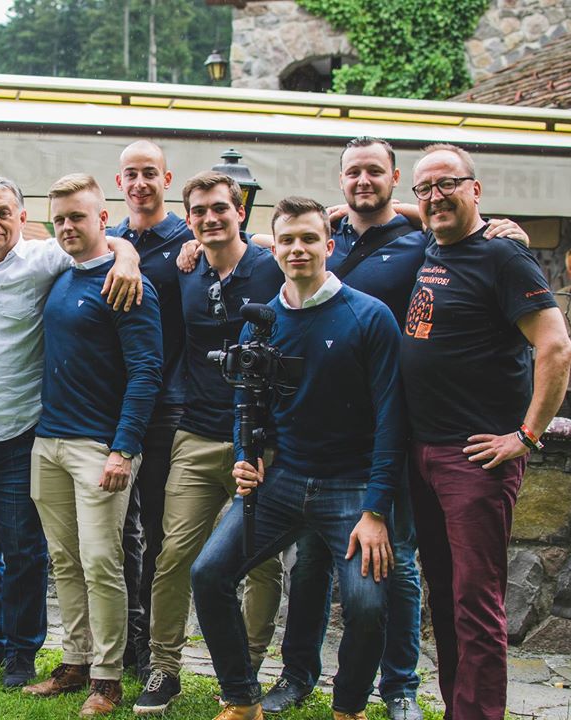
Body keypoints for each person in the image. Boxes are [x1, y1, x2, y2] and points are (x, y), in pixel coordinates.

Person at [191, 196, 406, 720]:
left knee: (367, 603)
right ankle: (242, 700)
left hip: (353, 487)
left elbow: (392, 420)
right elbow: (247, 402)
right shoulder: (261, 323)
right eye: (286, 239)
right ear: (275, 249)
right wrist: (247, 457)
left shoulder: (369, 316)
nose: (297, 249)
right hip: (283, 479)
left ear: (328, 246)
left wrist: (377, 511)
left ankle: (349, 707)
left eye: (309, 238)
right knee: (208, 573)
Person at [0, 177, 143, 688]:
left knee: (23, 550)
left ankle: (22, 652)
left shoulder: (46, 258)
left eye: (3, 213)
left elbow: (103, 236)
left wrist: (128, 257)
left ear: (22, 219)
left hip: (17, 430)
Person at [400, 144, 571, 719]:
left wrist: (526, 435)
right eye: (425, 188)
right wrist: (343, 213)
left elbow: (556, 347)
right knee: (446, 597)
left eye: (448, 184)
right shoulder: (433, 241)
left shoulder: (503, 256)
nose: (435, 197)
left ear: (476, 189)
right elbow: (420, 210)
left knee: (476, 603)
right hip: (423, 452)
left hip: (474, 459)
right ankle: (460, 708)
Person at [260, 137, 425, 719]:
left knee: (394, 567)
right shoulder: (328, 236)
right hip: (317, 441)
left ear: (395, 178)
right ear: (340, 181)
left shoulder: (421, 241)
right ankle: (297, 674)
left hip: (387, 429)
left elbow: (461, 229)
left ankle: (399, 686)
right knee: (308, 565)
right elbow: (272, 245)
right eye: (353, 172)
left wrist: (504, 228)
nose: (363, 181)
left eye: (375, 171)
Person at [132, 171, 284, 716]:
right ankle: (164, 668)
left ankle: (243, 671)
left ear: (240, 211)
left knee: (262, 562)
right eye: (198, 210)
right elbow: (128, 251)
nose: (209, 218)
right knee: (173, 554)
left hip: (262, 443)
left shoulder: (272, 266)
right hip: (196, 433)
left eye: (220, 208)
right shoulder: (186, 270)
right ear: (189, 218)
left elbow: (314, 244)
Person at [23, 173, 162, 716]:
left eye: (77, 216)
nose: (66, 227)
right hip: (49, 442)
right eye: (59, 218)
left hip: (100, 447)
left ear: (103, 218)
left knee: (102, 561)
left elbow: (146, 372)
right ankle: (75, 661)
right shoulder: (61, 275)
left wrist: (124, 449)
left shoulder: (128, 284)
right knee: (65, 561)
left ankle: (108, 677)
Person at [108, 140, 194, 679]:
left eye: (149, 173)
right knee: (116, 532)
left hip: (168, 406)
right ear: (119, 183)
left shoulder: (188, 239)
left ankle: (156, 651)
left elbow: (250, 242)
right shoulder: (112, 238)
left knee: (161, 533)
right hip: (113, 406)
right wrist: (123, 249)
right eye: (130, 174)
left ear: (166, 178)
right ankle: (123, 639)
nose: (140, 183)